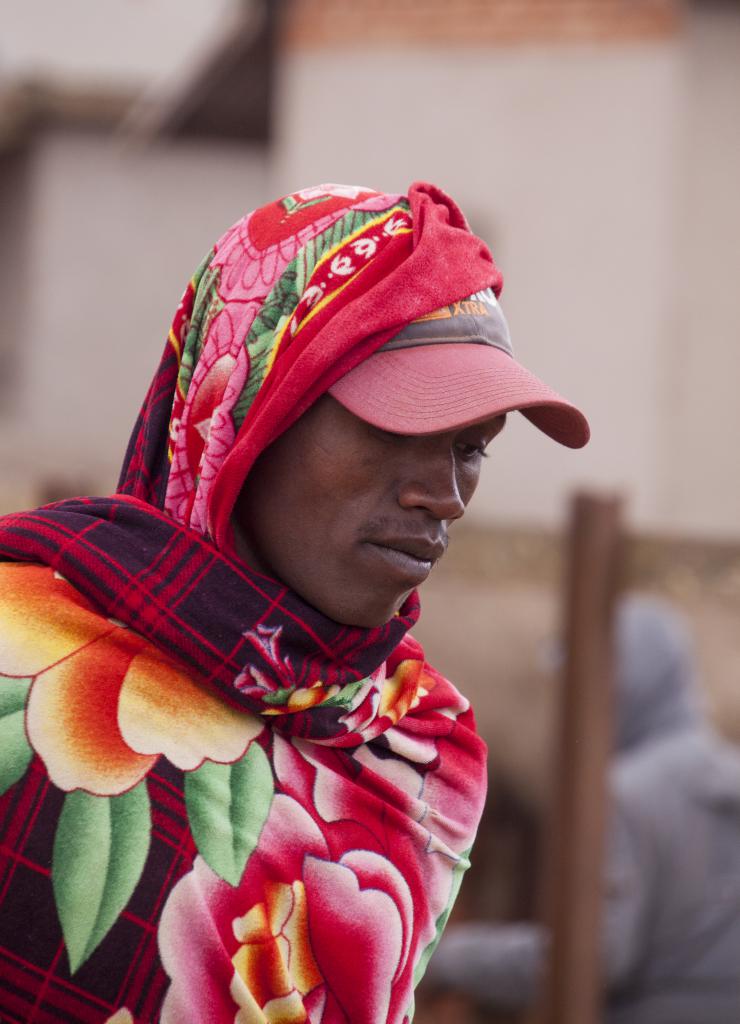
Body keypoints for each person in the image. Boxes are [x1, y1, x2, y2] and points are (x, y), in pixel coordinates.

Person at [0, 181, 588, 1023]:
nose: (444, 494)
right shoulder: (16, 656)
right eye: (397, 426)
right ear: (246, 414)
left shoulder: (419, 749)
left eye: (470, 448)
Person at [423, 596, 740, 1024]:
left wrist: (456, 958)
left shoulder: (626, 795)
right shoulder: (727, 776)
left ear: (620, 684)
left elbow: (597, 957)